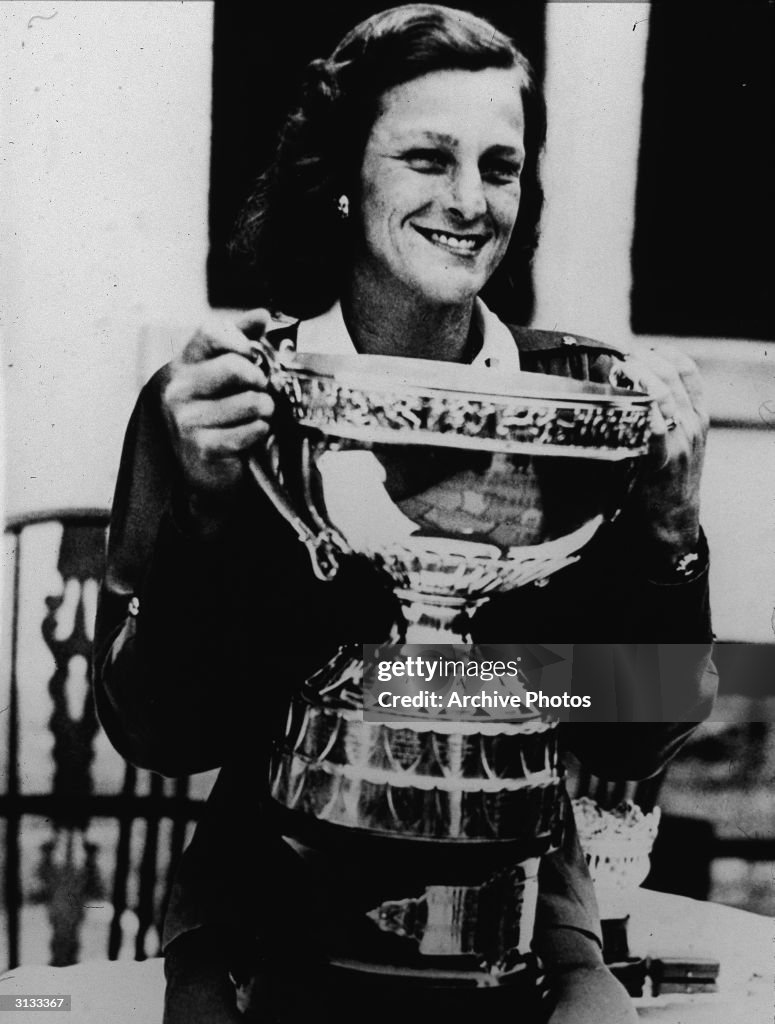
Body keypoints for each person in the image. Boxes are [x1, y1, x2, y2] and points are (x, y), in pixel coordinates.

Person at [94, 6, 715, 1022]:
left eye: (501, 167)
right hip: (269, 905)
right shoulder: (226, 395)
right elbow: (163, 731)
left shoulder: (586, 406)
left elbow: (638, 730)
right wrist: (207, 511)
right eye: (427, 159)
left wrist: (665, 540)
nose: (470, 202)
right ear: (341, 177)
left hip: (527, 910)